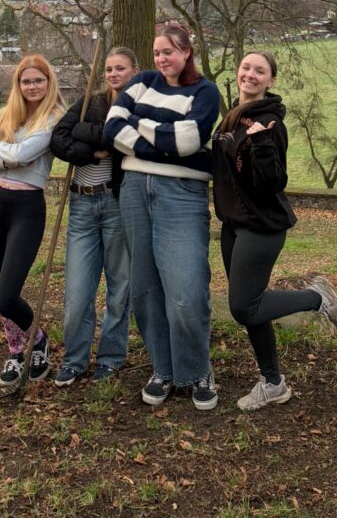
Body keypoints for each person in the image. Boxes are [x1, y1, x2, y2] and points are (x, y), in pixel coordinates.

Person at [212, 51, 337, 411]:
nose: (250, 74)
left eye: (259, 71)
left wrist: (260, 144)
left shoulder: (269, 123)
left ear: (271, 80)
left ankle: (316, 298)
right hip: (234, 225)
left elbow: (273, 182)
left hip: (261, 226)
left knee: (245, 307)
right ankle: (272, 383)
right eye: (246, 68)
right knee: (254, 306)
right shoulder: (234, 116)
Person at [104, 23, 221, 410]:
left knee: (186, 292)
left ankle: (197, 370)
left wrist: (138, 126)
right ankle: (163, 370)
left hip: (182, 194)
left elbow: (189, 141)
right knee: (145, 288)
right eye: (156, 53)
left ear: (187, 52)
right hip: (134, 191)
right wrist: (163, 138)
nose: (161, 59)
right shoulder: (142, 82)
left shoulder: (205, 92)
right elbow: (111, 127)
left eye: (168, 51)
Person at [0, 54, 64, 388]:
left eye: (38, 80)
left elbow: (23, 154)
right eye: (26, 81)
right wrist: (4, 160)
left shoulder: (53, 118)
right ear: (18, 85)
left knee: (6, 297)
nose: (32, 86)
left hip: (26, 208)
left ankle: (38, 340)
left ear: (48, 83)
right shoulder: (6, 115)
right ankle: (16, 351)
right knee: (1, 288)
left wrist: (0, 151)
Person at [50, 47, 140, 386]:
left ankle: (110, 358)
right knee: (76, 294)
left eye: (120, 68)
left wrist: (87, 132)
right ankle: (74, 360)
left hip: (115, 203)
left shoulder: (138, 105)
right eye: (109, 69)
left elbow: (117, 140)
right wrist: (91, 153)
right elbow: (59, 138)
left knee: (119, 287)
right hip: (81, 205)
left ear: (134, 71)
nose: (113, 74)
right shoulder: (90, 100)